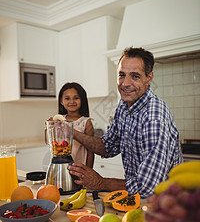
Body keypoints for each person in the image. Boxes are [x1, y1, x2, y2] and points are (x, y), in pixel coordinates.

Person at [68, 47, 183, 198]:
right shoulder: (124, 106)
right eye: (122, 75)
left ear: (149, 78)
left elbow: (149, 187)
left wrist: (101, 182)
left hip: (165, 204)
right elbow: (107, 146)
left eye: (135, 76)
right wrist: (71, 132)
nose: (125, 83)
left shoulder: (154, 116)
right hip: (137, 200)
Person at [55, 82, 94, 168]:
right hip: (60, 167)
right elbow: (51, 142)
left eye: (76, 98)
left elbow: (90, 153)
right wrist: (49, 127)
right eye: (67, 98)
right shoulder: (58, 121)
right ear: (61, 101)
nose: (71, 101)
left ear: (82, 100)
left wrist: (88, 172)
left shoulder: (86, 122)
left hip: (79, 169)